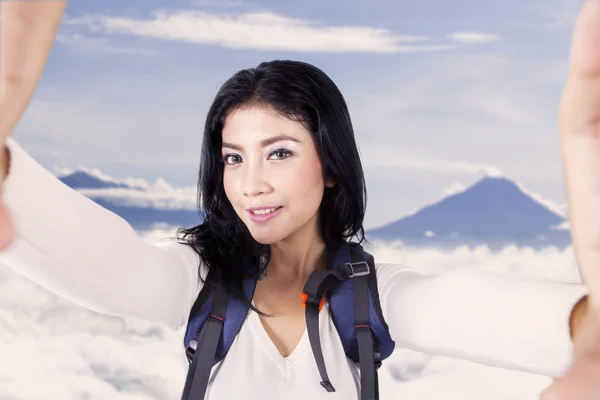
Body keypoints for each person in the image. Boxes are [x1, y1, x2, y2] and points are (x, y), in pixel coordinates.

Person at [1, 1, 600, 399]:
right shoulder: (195, 284)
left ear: (332, 166)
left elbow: (466, 307)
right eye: (234, 156)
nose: (250, 183)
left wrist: (584, 330)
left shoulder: (372, 300)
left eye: (279, 152)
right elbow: (104, 263)